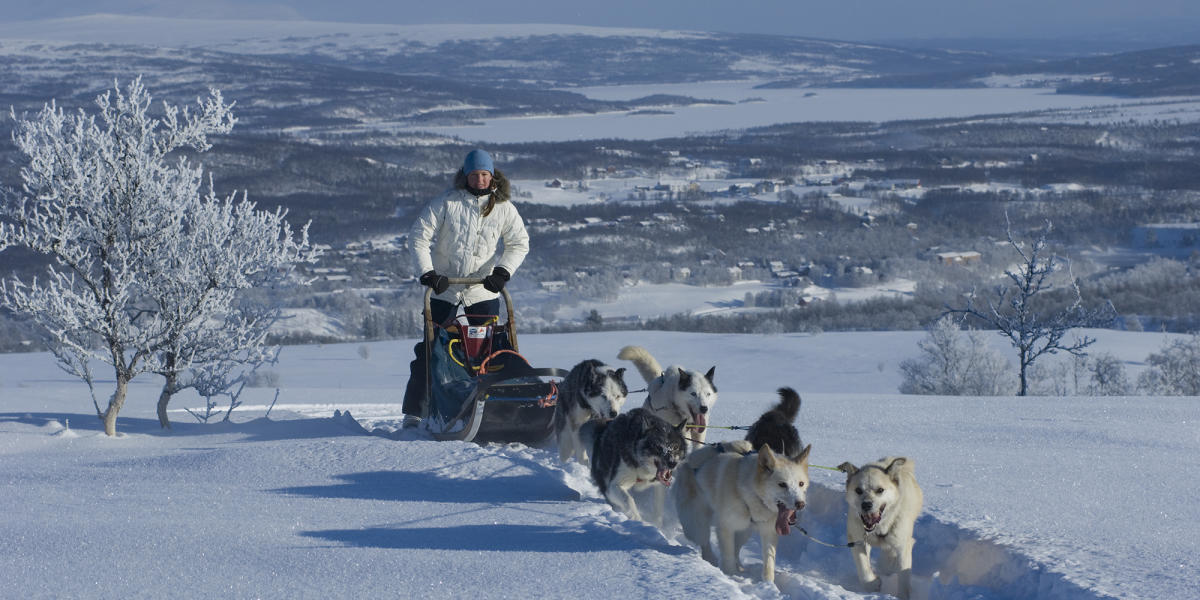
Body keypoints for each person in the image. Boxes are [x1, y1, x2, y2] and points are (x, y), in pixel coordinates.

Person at [401, 149, 530, 428]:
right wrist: (429, 274)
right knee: (432, 349)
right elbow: (418, 237)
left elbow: (519, 243)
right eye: (474, 175)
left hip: (483, 289)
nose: (480, 180)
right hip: (445, 288)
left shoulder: (504, 208)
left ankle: (497, 407)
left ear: (492, 176)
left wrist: (502, 272)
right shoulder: (446, 203)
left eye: (485, 174)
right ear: (466, 176)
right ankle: (416, 411)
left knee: (488, 352)